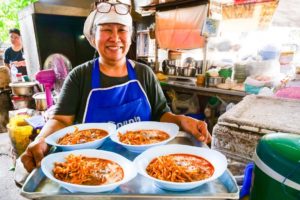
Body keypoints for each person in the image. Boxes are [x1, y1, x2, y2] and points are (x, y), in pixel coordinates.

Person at [21, 0, 211, 173]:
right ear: (93, 36)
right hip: (92, 170)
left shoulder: (144, 73)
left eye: (122, 30)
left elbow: (161, 114)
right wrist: (41, 141)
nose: (115, 38)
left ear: (130, 36)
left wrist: (181, 120)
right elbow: (61, 121)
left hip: (147, 167)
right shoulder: (79, 76)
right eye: (106, 30)